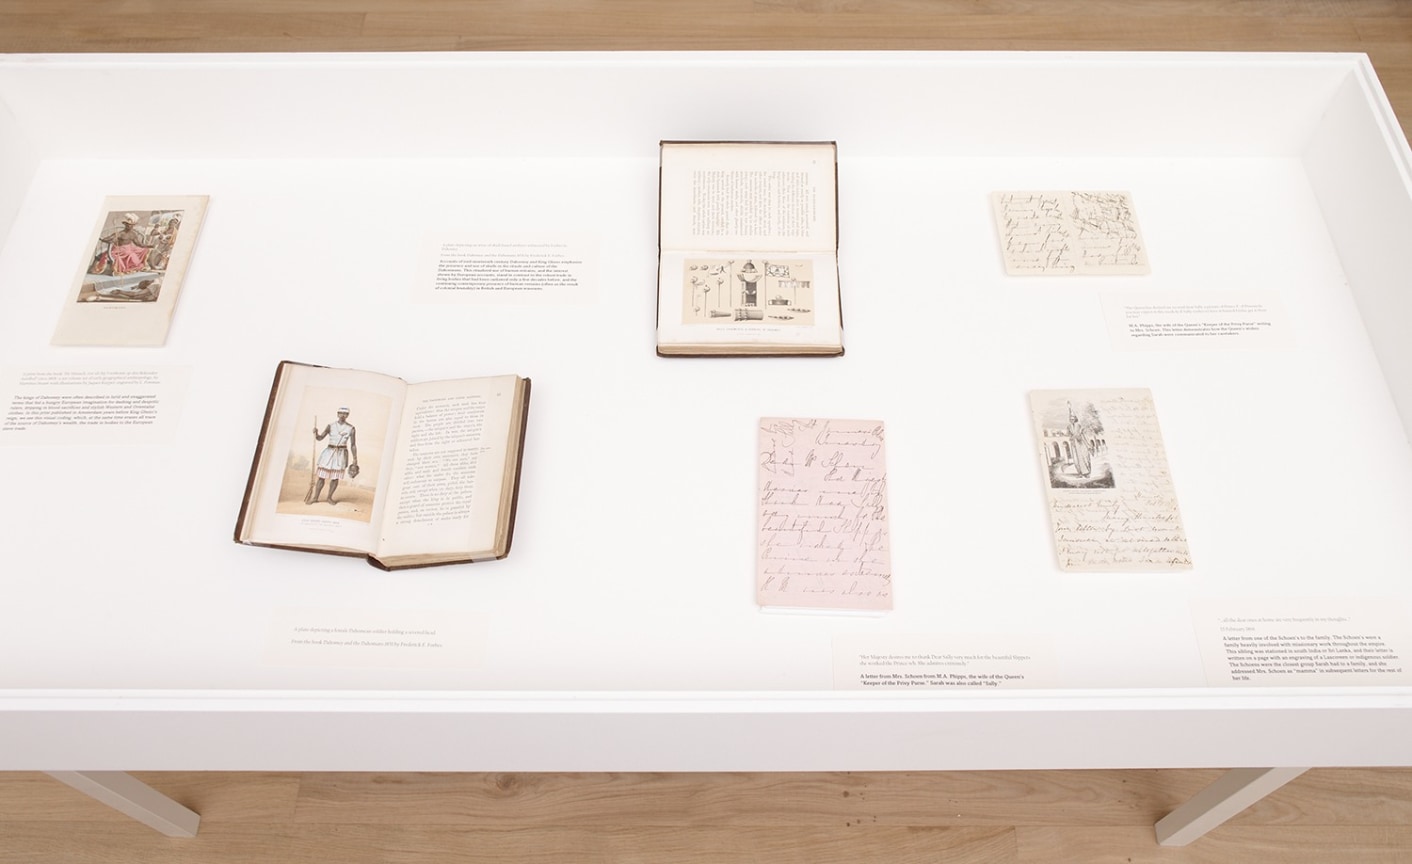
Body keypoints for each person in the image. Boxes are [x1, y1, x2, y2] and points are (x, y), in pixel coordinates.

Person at [312, 408, 358, 504]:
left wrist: (355, 459)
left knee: (335, 477)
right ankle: (315, 497)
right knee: (321, 476)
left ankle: (329, 498)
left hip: (341, 454)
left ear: (347, 415)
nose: (342, 415)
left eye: (345, 414)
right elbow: (320, 438)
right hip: (328, 453)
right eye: (341, 413)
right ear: (337, 414)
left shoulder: (351, 428)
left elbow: (353, 445)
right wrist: (316, 433)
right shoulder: (331, 426)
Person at [1067, 403, 1093, 478]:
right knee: (1076, 458)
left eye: (1073, 418)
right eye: (1070, 419)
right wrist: (1071, 437)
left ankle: (1087, 473)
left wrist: (1088, 444)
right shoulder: (1069, 426)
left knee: (1084, 457)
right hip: (1074, 444)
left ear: (1075, 418)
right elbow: (1069, 434)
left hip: (1081, 443)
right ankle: (1080, 473)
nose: (1071, 420)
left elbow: (1083, 434)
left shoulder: (1079, 425)